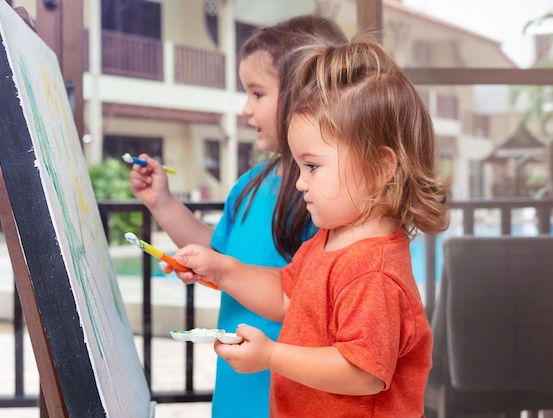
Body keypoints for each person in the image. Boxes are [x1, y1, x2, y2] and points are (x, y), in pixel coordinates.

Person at [172, 31, 451, 417]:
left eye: (313, 166)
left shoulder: (375, 272)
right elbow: (287, 297)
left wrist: (271, 355)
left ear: (382, 167)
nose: (300, 181)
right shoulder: (328, 240)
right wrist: (222, 269)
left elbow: (362, 370)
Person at [129, 15, 347, 418]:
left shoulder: (328, 200)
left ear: (306, 96)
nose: (246, 109)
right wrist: (161, 202)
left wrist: (223, 268)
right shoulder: (249, 184)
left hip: (290, 391)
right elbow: (218, 254)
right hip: (236, 387)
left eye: (257, 93)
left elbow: (310, 295)